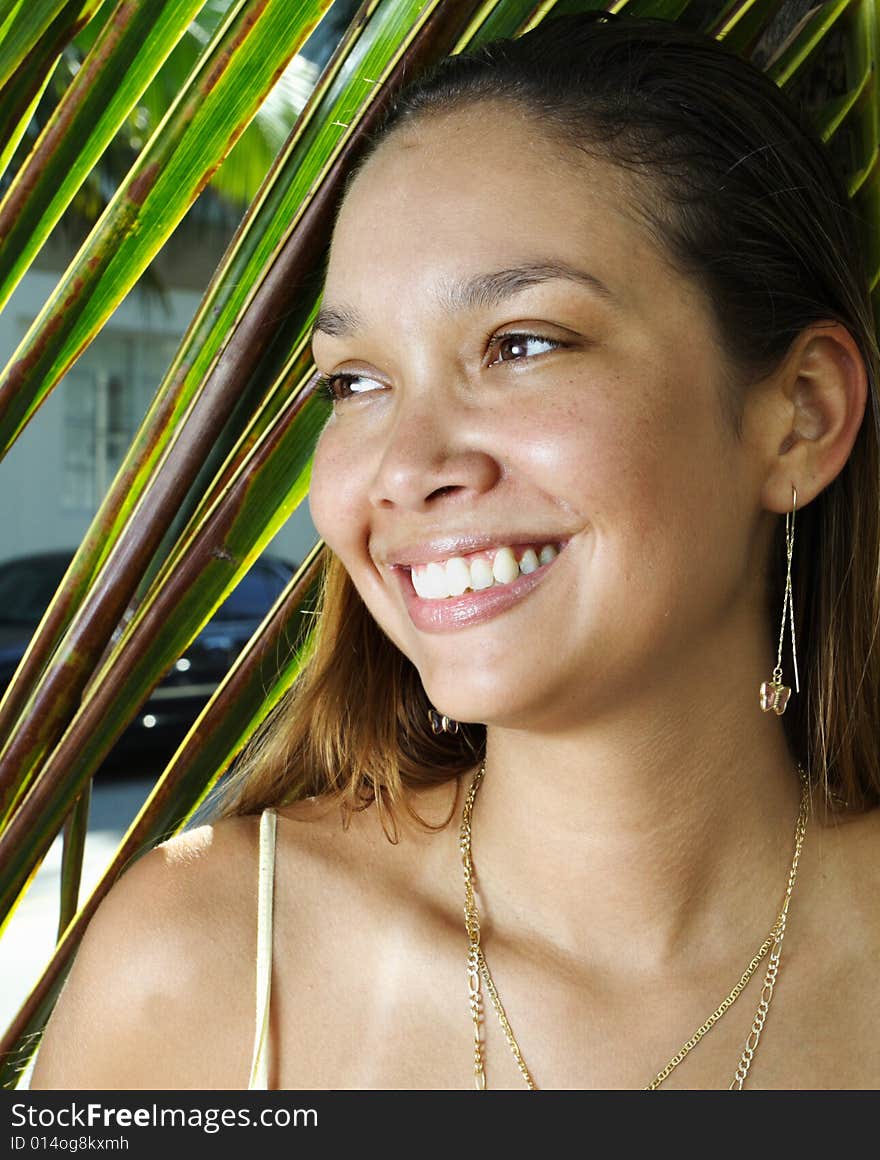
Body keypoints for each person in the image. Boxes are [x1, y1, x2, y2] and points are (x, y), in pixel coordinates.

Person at [29, 11, 880, 1090]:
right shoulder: (207, 970)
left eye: (520, 343)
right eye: (355, 382)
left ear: (798, 415)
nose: (403, 464)